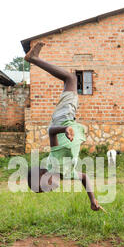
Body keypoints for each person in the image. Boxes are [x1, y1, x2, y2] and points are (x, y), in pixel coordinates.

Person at [25, 42, 102, 211]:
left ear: (44, 174)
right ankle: (34, 58)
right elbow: (84, 177)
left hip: (62, 121)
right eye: (43, 191)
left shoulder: (54, 163)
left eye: (43, 186)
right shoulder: (65, 174)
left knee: (71, 78)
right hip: (67, 119)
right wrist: (93, 200)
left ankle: (34, 58)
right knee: (71, 80)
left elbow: (51, 133)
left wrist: (64, 129)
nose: (47, 189)